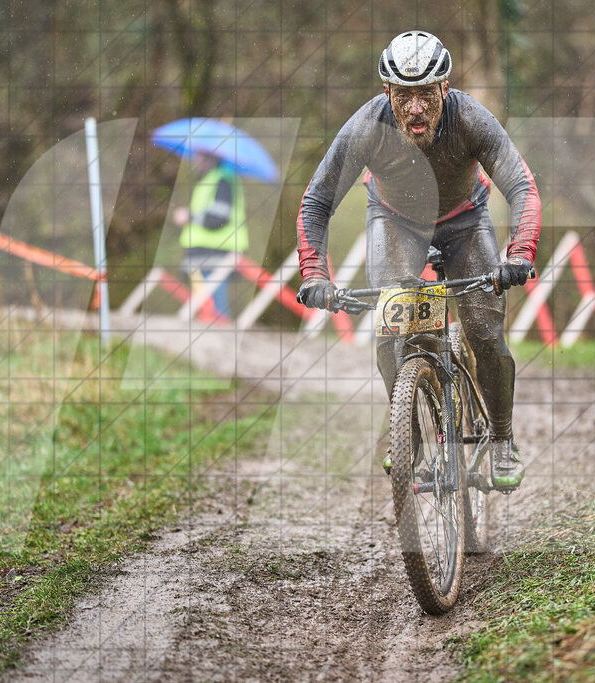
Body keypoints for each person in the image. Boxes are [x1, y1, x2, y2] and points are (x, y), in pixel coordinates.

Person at [295, 30, 540, 492]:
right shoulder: (367, 126)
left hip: (465, 220)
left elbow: (522, 186)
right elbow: (316, 202)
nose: (414, 109)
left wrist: (519, 253)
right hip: (395, 221)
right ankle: (407, 428)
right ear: (386, 92)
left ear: (444, 88)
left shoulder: (471, 119)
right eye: (403, 96)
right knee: (394, 321)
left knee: (485, 331)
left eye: (426, 95)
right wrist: (314, 274)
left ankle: (503, 437)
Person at [174, 151, 248, 323]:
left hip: (218, 253)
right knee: (206, 311)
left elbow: (219, 218)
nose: (195, 159)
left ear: (211, 157)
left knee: (216, 311)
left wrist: (189, 216)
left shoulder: (223, 180)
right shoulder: (209, 180)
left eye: (200, 155)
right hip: (204, 254)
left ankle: (223, 345)